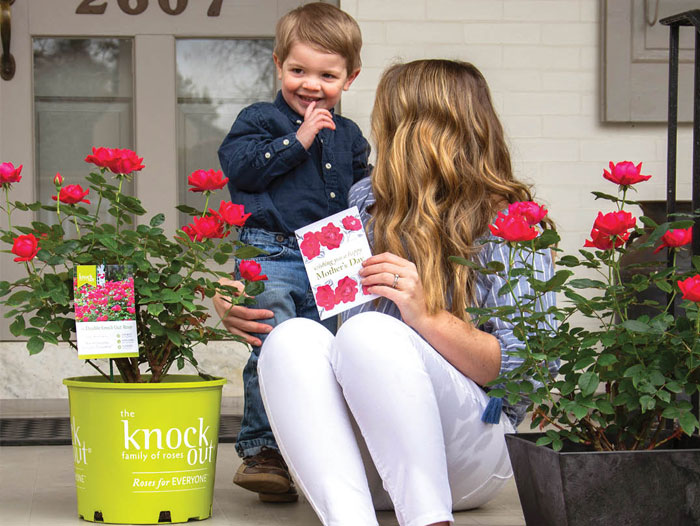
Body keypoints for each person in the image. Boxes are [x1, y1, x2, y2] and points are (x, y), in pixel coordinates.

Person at [255, 59, 558, 526]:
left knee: (372, 332)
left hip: (471, 452)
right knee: (290, 339)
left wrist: (426, 316)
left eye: (387, 119)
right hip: (369, 462)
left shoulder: (511, 221)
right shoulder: (364, 201)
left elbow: (529, 373)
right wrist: (248, 302)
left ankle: (429, 519)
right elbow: (328, 333)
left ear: (411, 128)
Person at [214, 2, 370, 503]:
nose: (311, 85)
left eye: (327, 75)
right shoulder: (259, 119)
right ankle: (264, 452)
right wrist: (298, 140)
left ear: (350, 78)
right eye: (298, 70)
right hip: (272, 252)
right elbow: (241, 169)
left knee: (325, 354)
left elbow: (361, 194)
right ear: (278, 63)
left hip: (332, 258)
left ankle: (308, 452)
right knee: (274, 343)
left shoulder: (350, 136)